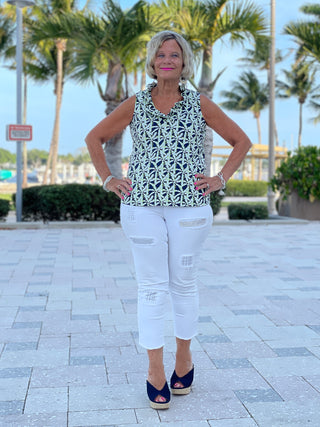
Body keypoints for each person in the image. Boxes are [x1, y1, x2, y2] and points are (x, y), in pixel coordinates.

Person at [85, 30, 252, 410]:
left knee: (183, 284)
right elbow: (95, 137)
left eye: (174, 54)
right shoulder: (136, 103)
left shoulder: (200, 104)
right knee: (151, 287)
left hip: (191, 209)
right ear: (152, 61)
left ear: (183, 63)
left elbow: (241, 141)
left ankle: (184, 359)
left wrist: (220, 179)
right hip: (141, 206)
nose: (166, 60)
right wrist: (109, 179)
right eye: (160, 54)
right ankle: (155, 370)